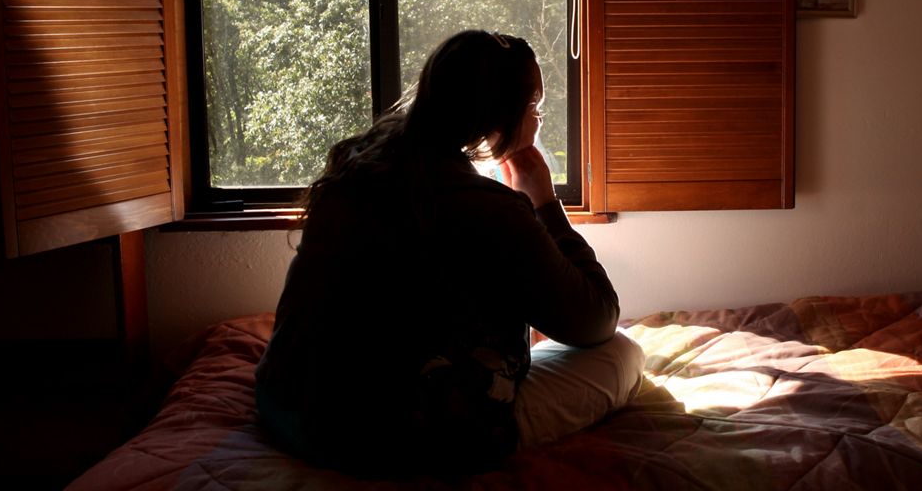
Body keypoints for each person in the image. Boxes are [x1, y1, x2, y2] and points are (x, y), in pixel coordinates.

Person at [254, 30, 644, 478]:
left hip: (287, 402)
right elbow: (597, 318)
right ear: (500, 116)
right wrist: (545, 203)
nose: (537, 123)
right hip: (389, 437)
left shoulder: (356, 166)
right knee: (623, 354)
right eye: (533, 108)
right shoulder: (488, 207)